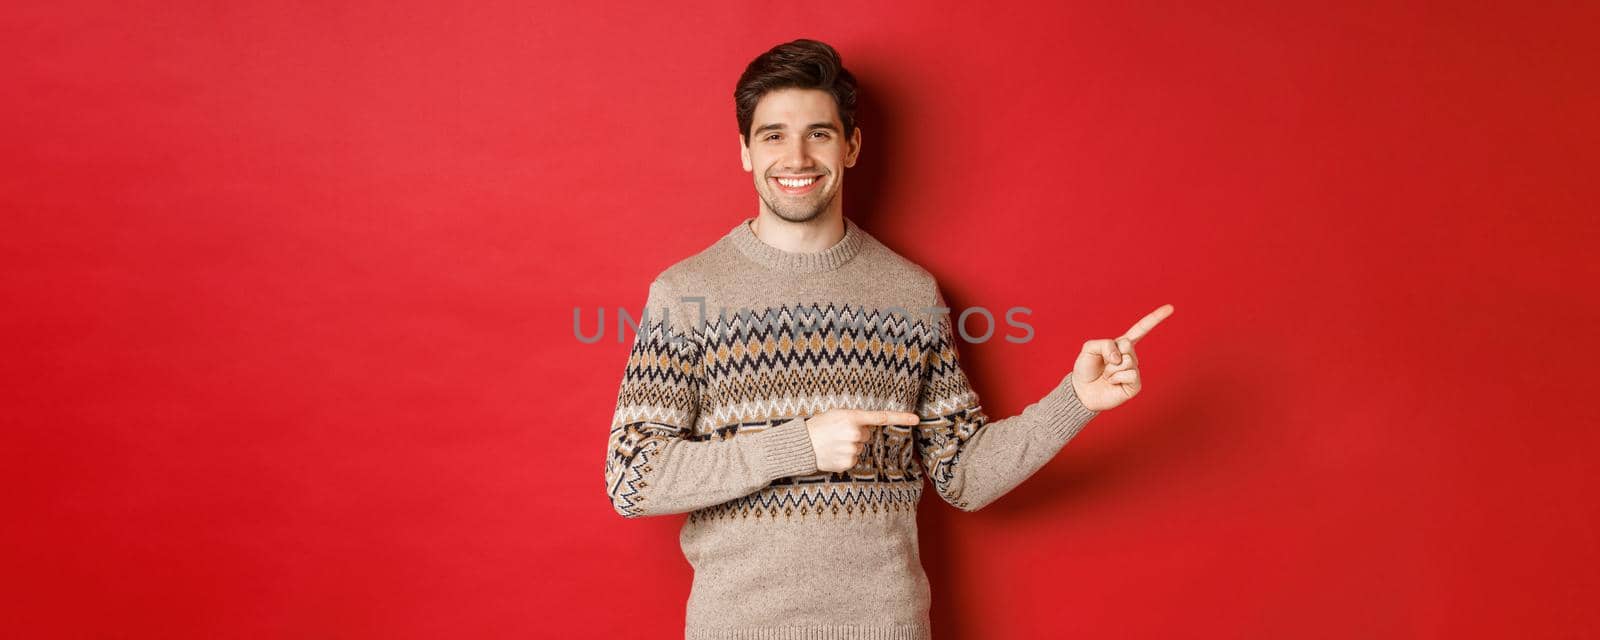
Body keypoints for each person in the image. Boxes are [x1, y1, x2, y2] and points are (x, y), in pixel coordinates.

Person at [603, 38, 1174, 640]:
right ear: (745, 151)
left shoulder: (909, 293)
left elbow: (963, 474)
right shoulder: (686, 293)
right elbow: (632, 476)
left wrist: (1075, 402)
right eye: (773, 135)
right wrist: (798, 446)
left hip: (887, 627)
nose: (796, 156)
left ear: (851, 146)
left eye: (819, 133)